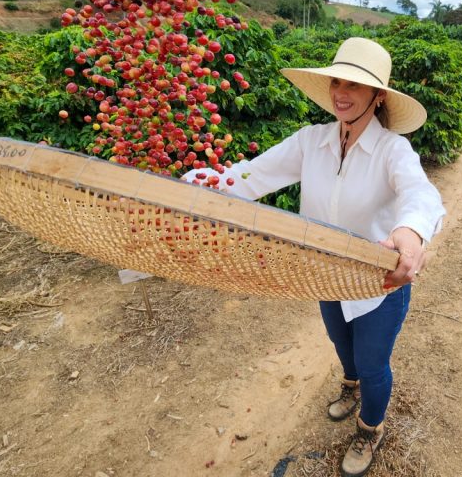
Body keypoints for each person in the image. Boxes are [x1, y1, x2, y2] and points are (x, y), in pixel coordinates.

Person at [182, 37, 445, 476]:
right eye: (337, 82)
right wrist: (201, 186)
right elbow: (248, 177)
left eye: (355, 87)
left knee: (374, 362)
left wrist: (410, 230)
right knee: (342, 346)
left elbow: (420, 193)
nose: (341, 93)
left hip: (378, 284)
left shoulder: (391, 150)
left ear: (378, 96)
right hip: (324, 275)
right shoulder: (311, 142)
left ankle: (369, 428)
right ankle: (349, 385)